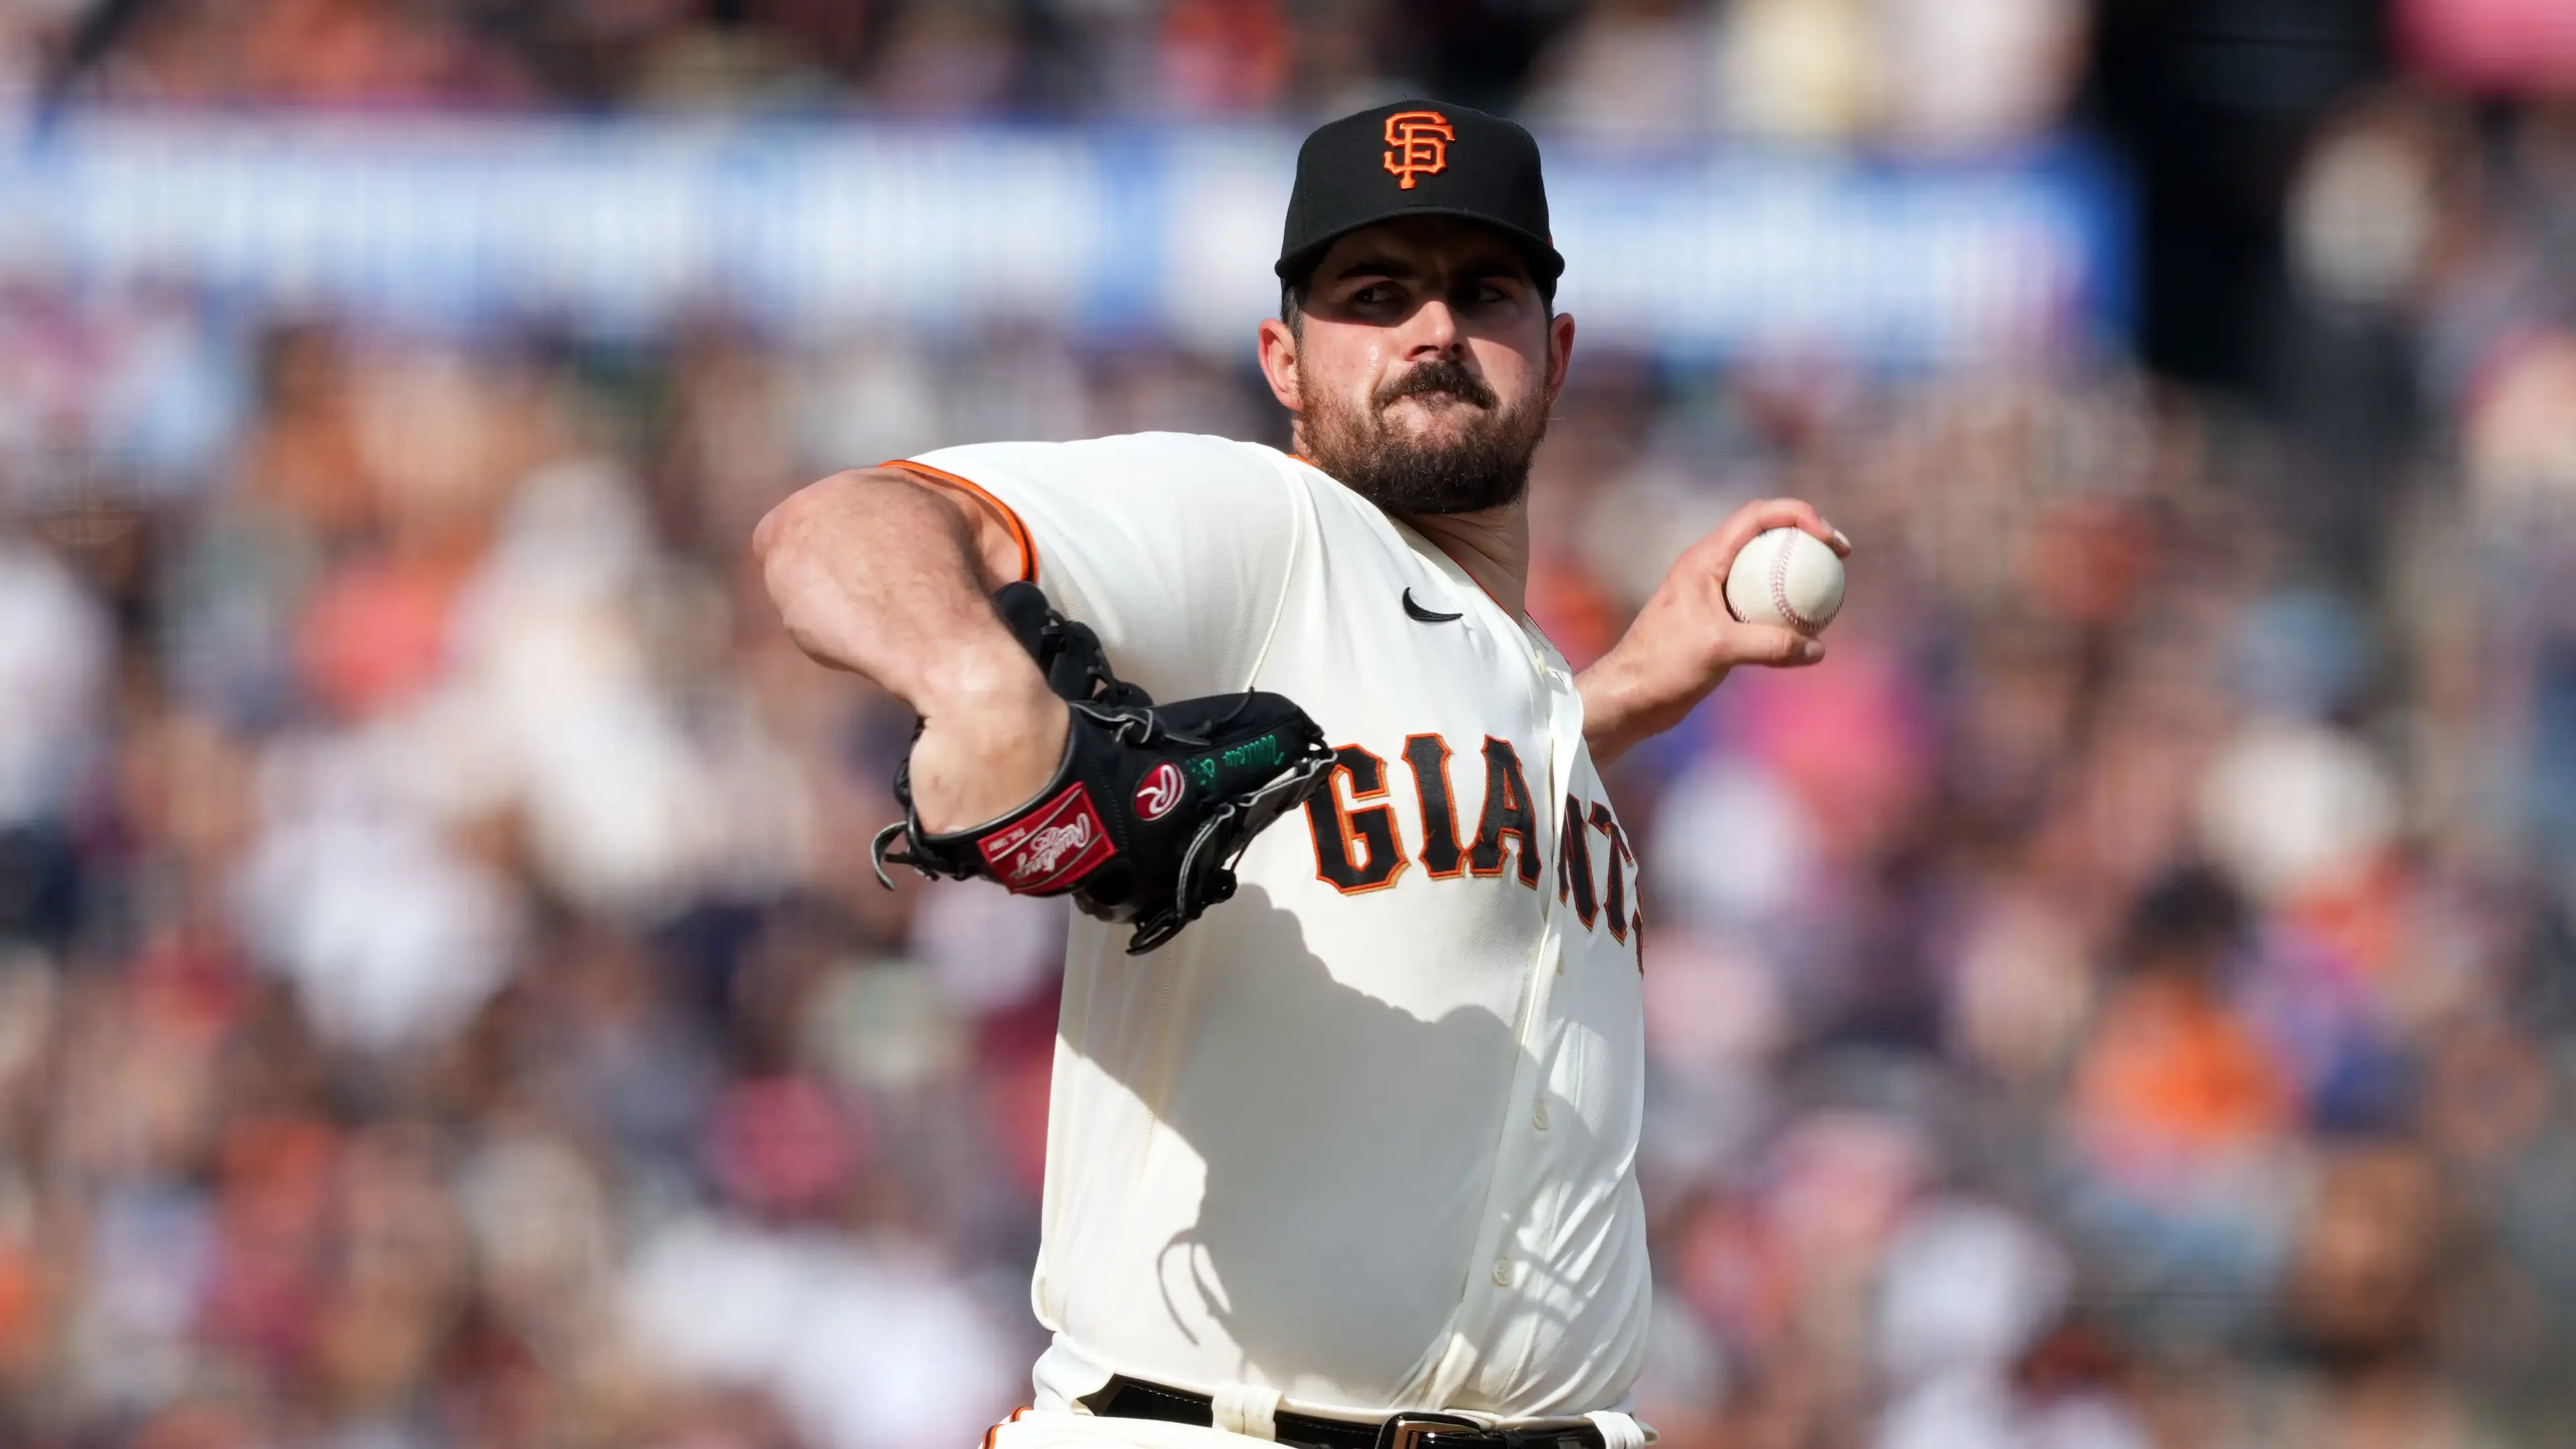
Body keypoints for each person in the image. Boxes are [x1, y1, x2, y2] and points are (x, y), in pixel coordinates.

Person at [754, 99, 1847, 1449]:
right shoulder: (1272, 531)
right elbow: (835, 529)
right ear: (1283, 358)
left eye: (1481, 290)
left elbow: (1418, 787)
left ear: (1554, 355)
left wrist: (1609, 697)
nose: (1433, 329)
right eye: (1375, 294)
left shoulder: (1522, 685)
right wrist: (977, 685)